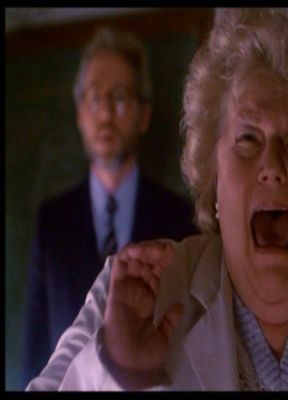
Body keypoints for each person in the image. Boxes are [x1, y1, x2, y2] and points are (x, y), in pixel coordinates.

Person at [26, 9, 288, 391]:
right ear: (213, 177)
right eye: (248, 139)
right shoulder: (135, 297)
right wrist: (118, 371)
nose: (271, 165)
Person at [22, 27, 198, 387]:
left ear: (144, 114)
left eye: (119, 97)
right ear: (79, 114)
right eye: (94, 97)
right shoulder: (51, 222)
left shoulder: (182, 218)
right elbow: (34, 354)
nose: (105, 112)